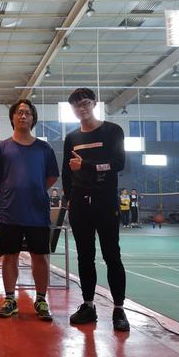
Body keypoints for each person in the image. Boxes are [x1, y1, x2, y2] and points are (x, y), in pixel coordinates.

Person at [62, 88, 130, 332]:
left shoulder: (113, 131)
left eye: (85, 103)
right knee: (84, 256)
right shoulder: (71, 138)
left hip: (106, 203)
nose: (81, 108)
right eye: (76, 105)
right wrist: (69, 198)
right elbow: (67, 171)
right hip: (80, 205)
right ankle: (88, 305)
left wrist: (87, 166)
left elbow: (118, 164)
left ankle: (119, 309)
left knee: (112, 256)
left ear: (94, 103)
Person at [0, 99, 59, 320]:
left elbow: (52, 177)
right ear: (12, 117)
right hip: (10, 211)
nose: (23, 116)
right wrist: (11, 191)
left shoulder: (44, 148)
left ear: (33, 118)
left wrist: (34, 190)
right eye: (19, 112)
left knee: (40, 257)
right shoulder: (1, 148)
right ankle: (10, 299)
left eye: (27, 113)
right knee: (10, 256)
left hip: (37, 212)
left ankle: (41, 300)